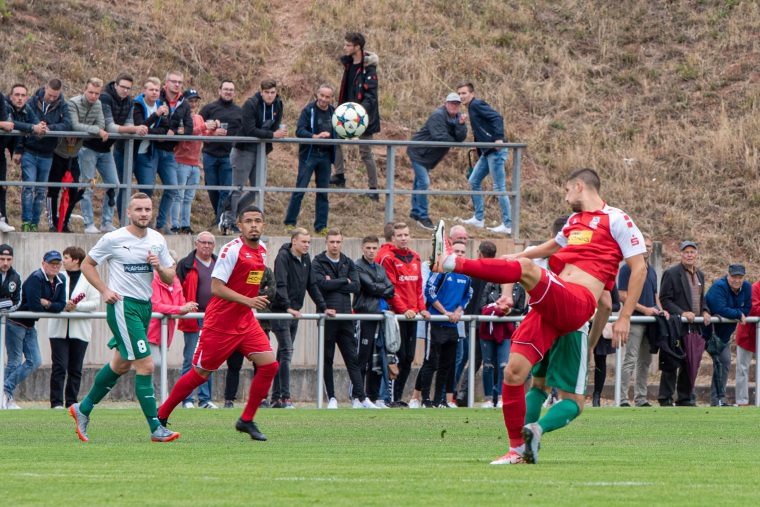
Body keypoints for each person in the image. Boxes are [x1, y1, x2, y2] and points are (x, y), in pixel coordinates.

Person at [430, 167, 647, 464]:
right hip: (552, 304)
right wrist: (518, 257)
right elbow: (550, 246)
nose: (565, 195)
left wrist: (625, 318)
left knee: (530, 272)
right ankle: (517, 449)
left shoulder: (617, 218)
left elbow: (639, 268)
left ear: (580, 186)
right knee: (513, 373)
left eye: (567, 190)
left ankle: (453, 262)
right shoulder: (573, 222)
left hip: (576, 303)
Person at [158, 206, 279, 442]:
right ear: (240, 226)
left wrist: (253, 300)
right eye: (248, 221)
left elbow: (252, 281)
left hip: (245, 320)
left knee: (270, 366)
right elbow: (216, 288)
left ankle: (246, 420)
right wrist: (249, 300)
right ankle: (160, 416)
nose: (254, 225)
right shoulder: (230, 250)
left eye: (258, 221)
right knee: (200, 374)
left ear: (263, 225)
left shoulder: (262, 250)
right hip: (220, 323)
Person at [69, 192, 179, 443]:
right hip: (123, 306)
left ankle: (82, 409)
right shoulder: (114, 238)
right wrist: (105, 290)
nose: (144, 214)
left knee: (121, 365)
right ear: (128, 213)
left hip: (144, 306)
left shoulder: (157, 239)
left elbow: (170, 278)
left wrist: (159, 267)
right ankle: (156, 428)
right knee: (146, 365)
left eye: (148, 209)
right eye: (138, 209)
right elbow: (87, 264)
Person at [270, 228, 333, 408]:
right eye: (304, 242)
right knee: (287, 352)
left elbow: (311, 285)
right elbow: (280, 284)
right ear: (294, 241)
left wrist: (323, 307)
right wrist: (287, 306)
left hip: (294, 312)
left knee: (283, 353)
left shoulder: (306, 259)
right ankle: (286, 397)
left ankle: (276, 398)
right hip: (282, 312)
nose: (307, 245)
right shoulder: (283, 257)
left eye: (309, 242)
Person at [313, 228, 375, 409]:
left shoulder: (348, 261)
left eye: (338, 242)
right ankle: (331, 398)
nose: (335, 245)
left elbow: (355, 287)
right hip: (328, 318)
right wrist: (343, 281)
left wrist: (333, 281)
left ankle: (361, 399)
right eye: (332, 242)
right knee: (328, 359)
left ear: (342, 242)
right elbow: (321, 285)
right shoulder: (318, 261)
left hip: (346, 317)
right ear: (326, 242)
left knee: (352, 359)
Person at [5, 251, 66, 409]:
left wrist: (47, 304)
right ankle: (5, 395)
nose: (54, 267)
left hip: (30, 325)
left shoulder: (61, 279)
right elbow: (34, 306)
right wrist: (49, 305)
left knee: (35, 360)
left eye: (57, 264)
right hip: (16, 323)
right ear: (43, 263)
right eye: (51, 263)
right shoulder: (36, 278)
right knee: (14, 361)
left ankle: (4, 391)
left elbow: (61, 305)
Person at [224, 79, 287, 233]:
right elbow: (249, 129)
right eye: (267, 93)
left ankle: (235, 212)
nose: (270, 96)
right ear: (261, 91)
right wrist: (272, 135)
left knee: (258, 188)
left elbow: (276, 124)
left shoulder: (278, 104)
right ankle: (228, 220)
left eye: (272, 92)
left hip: (261, 151)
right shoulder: (250, 104)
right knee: (238, 187)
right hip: (243, 150)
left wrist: (275, 134)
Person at [379, 222, 431, 405]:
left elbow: (418, 288)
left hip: (412, 315)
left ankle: (398, 397)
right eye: (399, 235)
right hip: (397, 316)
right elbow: (391, 289)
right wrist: (404, 309)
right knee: (395, 356)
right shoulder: (388, 258)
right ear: (393, 239)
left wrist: (421, 308)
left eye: (406, 235)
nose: (403, 238)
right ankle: (389, 398)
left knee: (409, 358)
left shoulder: (415, 257)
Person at [417, 240, 471, 407]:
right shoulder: (440, 270)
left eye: (462, 251)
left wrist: (457, 312)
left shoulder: (466, 275)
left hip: (452, 325)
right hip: (436, 323)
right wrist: (444, 312)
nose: (460, 254)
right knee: (431, 362)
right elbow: (429, 291)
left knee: (446, 366)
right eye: (457, 251)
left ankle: (439, 400)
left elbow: (468, 295)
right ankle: (425, 400)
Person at [657, 241, 711, 407]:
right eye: (686, 252)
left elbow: (701, 299)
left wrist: (705, 311)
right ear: (681, 254)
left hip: (694, 326)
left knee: (690, 362)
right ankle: (665, 398)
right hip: (676, 325)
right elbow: (665, 300)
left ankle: (684, 398)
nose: (689, 255)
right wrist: (682, 313)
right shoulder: (671, 273)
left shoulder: (700, 274)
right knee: (672, 362)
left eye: (692, 252)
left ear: (697, 255)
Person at [55, 78, 111, 234]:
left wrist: (92, 130)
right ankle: (54, 223)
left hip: (74, 152)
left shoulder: (98, 104)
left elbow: (101, 125)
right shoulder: (73, 103)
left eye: (97, 93)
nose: (93, 96)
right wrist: (95, 131)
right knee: (54, 190)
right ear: (84, 89)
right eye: (90, 92)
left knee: (73, 190)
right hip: (59, 150)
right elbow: (74, 125)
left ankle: (65, 223)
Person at [617, 234, 667, 407]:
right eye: (643, 245)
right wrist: (645, 309)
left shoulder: (651, 270)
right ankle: (622, 398)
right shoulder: (627, 268)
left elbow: (655, 296)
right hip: (635, 319)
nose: (647, 249)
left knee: (645, 361)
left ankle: (641, 398)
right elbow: (623, 295)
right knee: (629, 359)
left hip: (651, 322)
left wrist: (661, 311)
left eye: (649, 246)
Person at [406, 92, 468, 230]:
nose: (454, 106)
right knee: (424, 182)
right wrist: (454, 141)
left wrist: (461, 125)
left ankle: (415, 212)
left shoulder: (458, 117)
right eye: (452, 103)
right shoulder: (438, 115)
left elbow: (461, 137)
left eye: (457, 104)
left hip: (429, 156)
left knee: (419, 182)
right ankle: (423, 216)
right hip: (419, 152)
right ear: (445, 104)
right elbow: (440, 137)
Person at [47, 247, 100, 409]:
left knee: (75, 368)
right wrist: (63, 305)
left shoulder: (89, 278)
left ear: (76, 260)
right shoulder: (58, 277)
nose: (63, 261)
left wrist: (77, 306)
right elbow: (50, 298)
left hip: (80, 331)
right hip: (58, 331)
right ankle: (56, 402)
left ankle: (71, 402)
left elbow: (95, 303)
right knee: (59, 366)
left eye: (66, 258)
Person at [330, 32, 381, 196]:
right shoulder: (348, 64)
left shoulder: (369, 69)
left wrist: (358, 113)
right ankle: (339, 175)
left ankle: (373, 189)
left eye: (348, 45)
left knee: (366, 152)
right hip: (346, 114)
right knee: (334, 140)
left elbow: (371, 96)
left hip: (363, 118)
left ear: (357, 47)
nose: (344, 48)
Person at [456, 82, 511, 234]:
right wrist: (479, 146)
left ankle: (507, 225)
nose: (461, 96)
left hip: (496, 151)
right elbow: (481, 129)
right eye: (459, 94)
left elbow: (497, 118)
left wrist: (499, 138)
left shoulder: (476, 104)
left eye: (464, 93)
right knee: (474, 181)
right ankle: (478, 219)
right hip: (487, 152)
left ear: (472, 94)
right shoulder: (472, 108)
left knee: (499, 187)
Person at [19, 78, 71, 232]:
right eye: (50, 95)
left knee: (41, 191)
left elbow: (67, 124)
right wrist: (19, 149)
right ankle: (26, 222)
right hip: (30, 150)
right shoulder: (32, 102)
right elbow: (23, 122)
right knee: (28, 187)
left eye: (55, 96)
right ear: (45, 88)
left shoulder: (62, 105)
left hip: (47, 154)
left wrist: (49, 128)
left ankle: (35, 223)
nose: (52, 98)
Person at [284, 84, 337, 236]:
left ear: (332, 98)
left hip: (326, 156)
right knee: (300, 189)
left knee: (323, 192)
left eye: (327, 97)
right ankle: (289, 223)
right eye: (322, 96)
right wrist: (316, 137)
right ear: (317, 94)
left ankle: (321, 226)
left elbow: (341, 130)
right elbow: (300, 130)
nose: (324, 99)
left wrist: (352, 136)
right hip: (310, 154)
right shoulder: (309, 110)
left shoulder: (335, 113)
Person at [96, 73, 149, 221]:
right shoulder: (105, 97)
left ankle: (106, 222)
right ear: (116, 85)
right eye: (123, 87)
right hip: (90, 146)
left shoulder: (129, 101)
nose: (125, 91)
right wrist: (134, 129)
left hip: (107, 149)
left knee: (115, 185)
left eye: (128, 88)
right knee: (88, 187)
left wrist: (134, 128)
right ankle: (88, 224)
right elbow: (110, 127)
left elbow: (129, 123)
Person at [176, 231, 217, 409]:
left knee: (209, 360)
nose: (206, 246)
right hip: (193, 318)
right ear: (196, 243)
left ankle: (205, 399)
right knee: (191, 358)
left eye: (210, 243)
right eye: (203, 242)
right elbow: (177, 289)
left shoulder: (219, 263)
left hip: (214, 318)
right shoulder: (186, 264)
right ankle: (187, 399)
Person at [224, 265, 275, 409]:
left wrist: (248, 296)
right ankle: (229, 400)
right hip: (237, 324)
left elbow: (271, 292)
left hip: (261, 325)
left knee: (262, 365)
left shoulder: (266, 270)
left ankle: (261, 399)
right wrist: (252, 295)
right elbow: (236, 291)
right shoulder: (238, 270)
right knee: (234, 364)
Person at [354, 235, 395, 407]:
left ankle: (374, 397)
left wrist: (378, 289)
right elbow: (369, 286)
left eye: (374, 248)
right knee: (362, 358)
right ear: (362, 248)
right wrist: (381, 289)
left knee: (378, 359)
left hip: (381, 317)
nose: (371, 251)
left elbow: (391, 289)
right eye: (368, 248)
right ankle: (357, 397)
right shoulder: (357, 266)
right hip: (366, 316)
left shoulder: (379, 268)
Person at [703, 264, 751, 407]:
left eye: (740, 277)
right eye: (734, 277)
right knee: (691, 363)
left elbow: (747, 309)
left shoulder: (746, 287)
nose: (737, 280)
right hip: (705, 333)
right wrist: (737, 313)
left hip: (723, 337)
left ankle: (718, 400)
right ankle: (686, 399)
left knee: (724, 363)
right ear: (727, 275)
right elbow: (719, 308)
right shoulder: (719, 286)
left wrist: (738, 312)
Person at [455, 240, 497, 406]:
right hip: (490, 321)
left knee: (474, 360)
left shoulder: (472, 269)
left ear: (479, 252)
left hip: (472, 321)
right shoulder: (497, 271)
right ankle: (494, 395)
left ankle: (463, 393)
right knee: (491, 360)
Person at [198, 79, 242, 226]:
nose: (228, 92)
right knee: (211, 188)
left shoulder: (239, 111)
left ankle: (220, 220)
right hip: (210, 154)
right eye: (226, 89)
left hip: (229, 156)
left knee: (226, 190)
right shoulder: (209, 109)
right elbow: (198, 127)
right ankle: (219, 216)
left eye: (231, 90)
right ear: (219, 91)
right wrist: (212, 131)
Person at [146, 250, 199, 368]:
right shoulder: (153, 278)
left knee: (161, 366)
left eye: (173, 263)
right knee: (156, 365)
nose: (170, 266)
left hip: (166, 332)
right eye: (167, 263)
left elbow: (181, 303)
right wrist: (180, 309)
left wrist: (187, 307)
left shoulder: (175, 280)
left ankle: (160, 387)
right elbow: (156, 306)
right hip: (151, 330)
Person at [173, 89, 214, 234]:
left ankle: (185, 224)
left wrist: (214, 131)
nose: (193, 104)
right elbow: (186, 134)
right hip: (181, 161)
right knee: (178, 195)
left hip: (194, 162)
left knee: (189, 197)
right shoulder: (180, 115)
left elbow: (203, 137)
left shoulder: (200, 118)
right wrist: (204, 127)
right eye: (190, 101)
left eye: (195, 101)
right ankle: (174, 224)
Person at [133, 77, 172, 202]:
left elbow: (165, 129)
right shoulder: (137, 104)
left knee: (148, 188)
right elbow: (139, 125)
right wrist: (156, 114)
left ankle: (143, 219)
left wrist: (147, 132)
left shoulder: (162, 105)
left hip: (146, 153)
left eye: (157, 90)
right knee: (122, 187)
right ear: (144, 90)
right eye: (151, 90)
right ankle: (124, 219)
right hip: (128, 152)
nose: (154, 92)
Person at [0, 244, 22, 408]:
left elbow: (17, 301)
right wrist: (5, 302)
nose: (5, 262)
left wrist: (5, 306)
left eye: (8, 259)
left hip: (5, 323)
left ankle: (5, 397)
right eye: (2, 259)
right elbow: (8, 301)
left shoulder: (15, 276)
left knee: (12, 360)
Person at [735, 278, 760, 406]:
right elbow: (754, 309)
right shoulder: (754, 288)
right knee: (742, 368)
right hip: (747, 335)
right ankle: (741, 401)